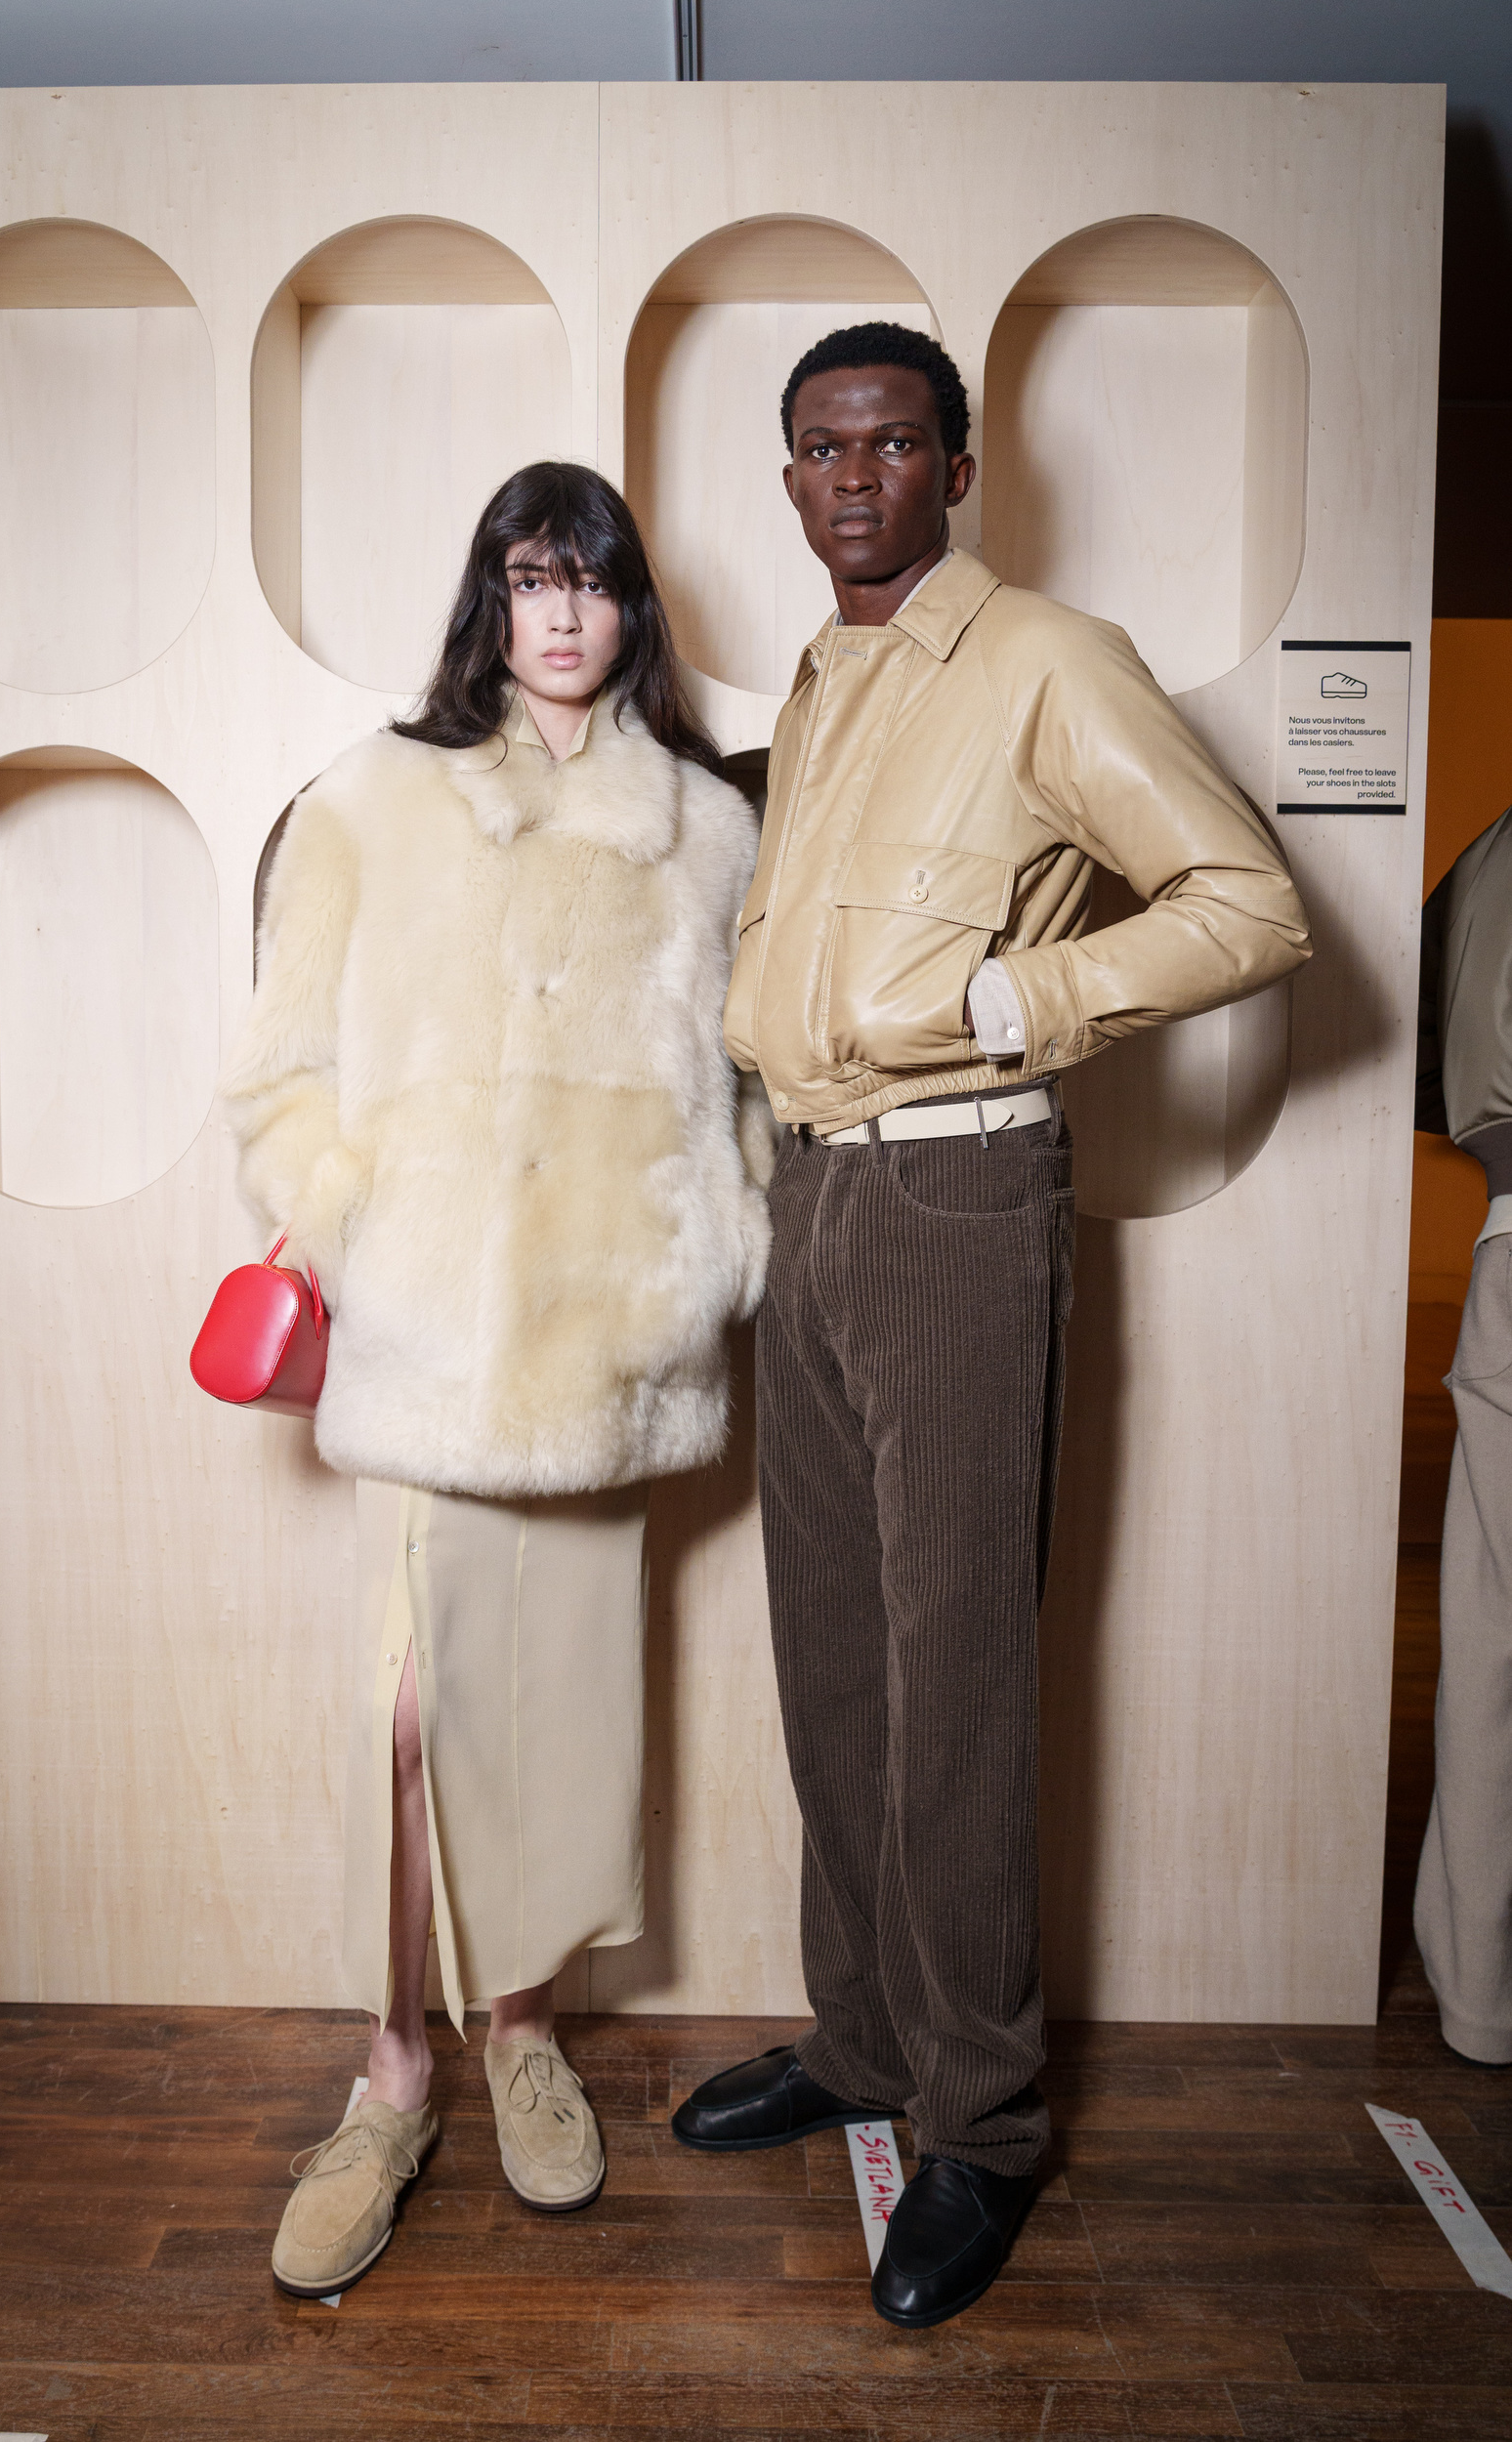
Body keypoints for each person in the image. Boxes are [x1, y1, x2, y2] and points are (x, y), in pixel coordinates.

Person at [672, 322, 1314, 2328]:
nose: (852, 475)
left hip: (957, 1190)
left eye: (890, 443)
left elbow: (1248, 902)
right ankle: (863, 2036)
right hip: (807, 1195)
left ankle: (977, 2119)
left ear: (954, 469)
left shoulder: (1042, 655)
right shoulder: (818, 676)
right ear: (789, 480)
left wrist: (1004, 1004)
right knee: (830, 1656)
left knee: (951, 1672)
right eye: (819, 447)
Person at [223, 461, 772, 2296]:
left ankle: (524, 2037)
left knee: (561, 1723)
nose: (562, 614)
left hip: (610, 1353)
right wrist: (354, 1223)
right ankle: (393, 2076)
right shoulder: (372, 800)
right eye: (533, 578)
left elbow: (746, 1095)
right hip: (430, 1349)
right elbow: (280, 1068)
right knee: (414, 1719)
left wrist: (714, 1257)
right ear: (491, 599)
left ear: (629, 608)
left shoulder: (707, 832)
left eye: (591, 582)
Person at [1413, 806, 1512, 2069]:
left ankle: (1482, 2002)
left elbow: (1426, 1072)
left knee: (1491, 1637)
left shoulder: (1487, 854)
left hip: (1510, 1237)